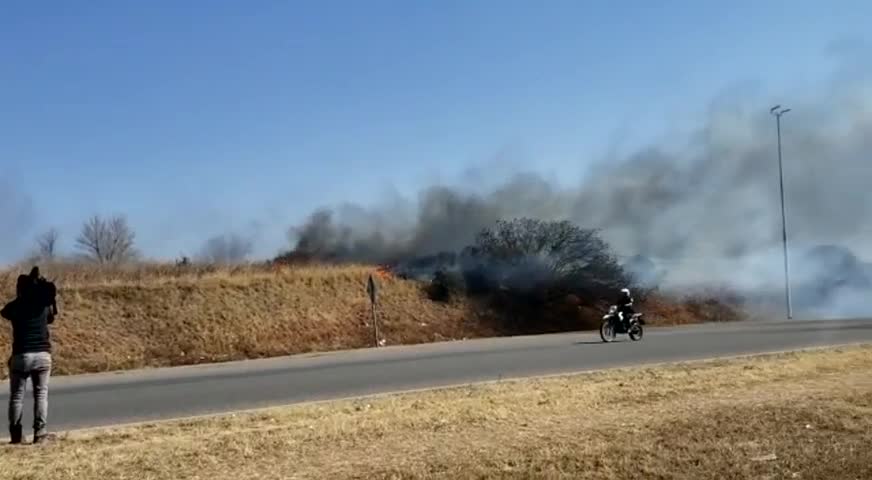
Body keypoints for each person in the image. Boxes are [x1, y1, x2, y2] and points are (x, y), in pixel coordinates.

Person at [1, 269, 55, 445]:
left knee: (17, 396)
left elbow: (4, 312)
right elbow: (51, 316)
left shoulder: (15, 307)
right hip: (42, 355)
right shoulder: (43, 305)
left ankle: (16, 435)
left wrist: (22, 296)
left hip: (21, 355)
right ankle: (40, 434)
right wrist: (40, 286)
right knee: (41, 394)